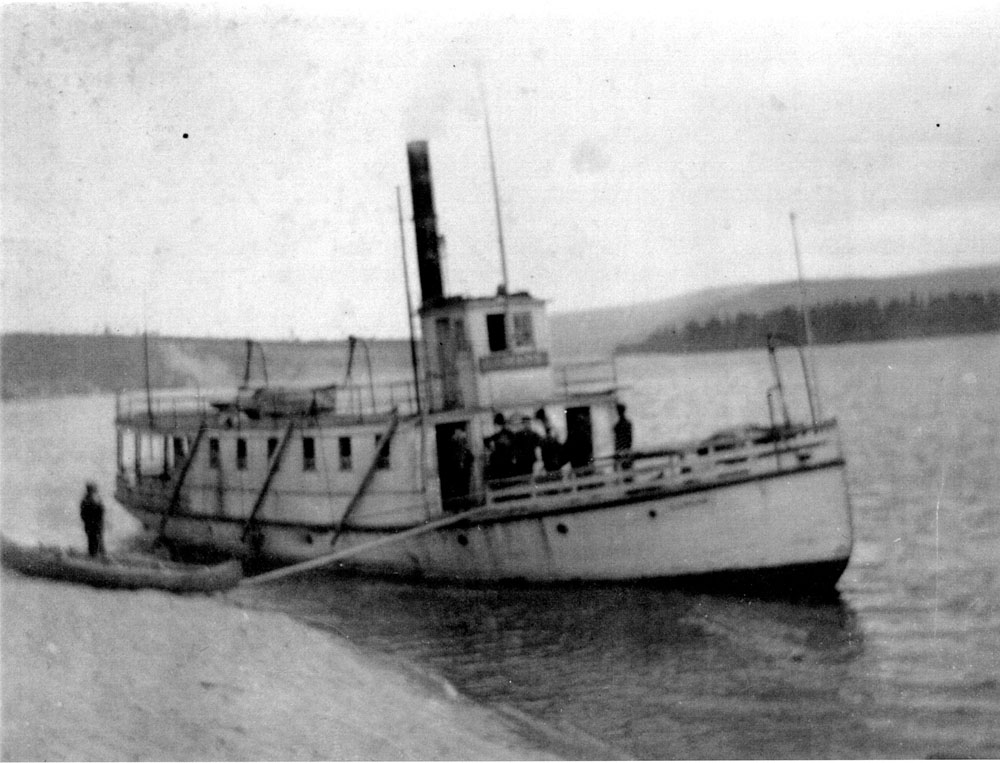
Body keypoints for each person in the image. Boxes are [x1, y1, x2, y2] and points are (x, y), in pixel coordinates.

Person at [484, 413, 515, 483]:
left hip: (500, 466)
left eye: (495, 425)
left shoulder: (497, 437)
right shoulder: (510, 435)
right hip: (509, 466)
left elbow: (488, 442)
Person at [536, 408, 566, 474]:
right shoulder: (540, 428)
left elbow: (559, 440)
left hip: (554, 455)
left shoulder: (552, 427)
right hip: (548, 455)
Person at [80, 482, 106, 558]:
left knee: (97, 539)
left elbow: (101, 511)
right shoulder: (89, 500)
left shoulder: (93, 499)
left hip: (95, 524)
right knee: (93, 540)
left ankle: (99, 555)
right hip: (92, 524)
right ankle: (95, 556)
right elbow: (83, 513)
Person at [614, 403, 634, 470]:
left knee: (627, 470)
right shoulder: (617, 426)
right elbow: (617, 440)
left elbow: (629, 439)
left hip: (625, 451)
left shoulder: (623, 425)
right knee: (625, 470)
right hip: (623, 451)